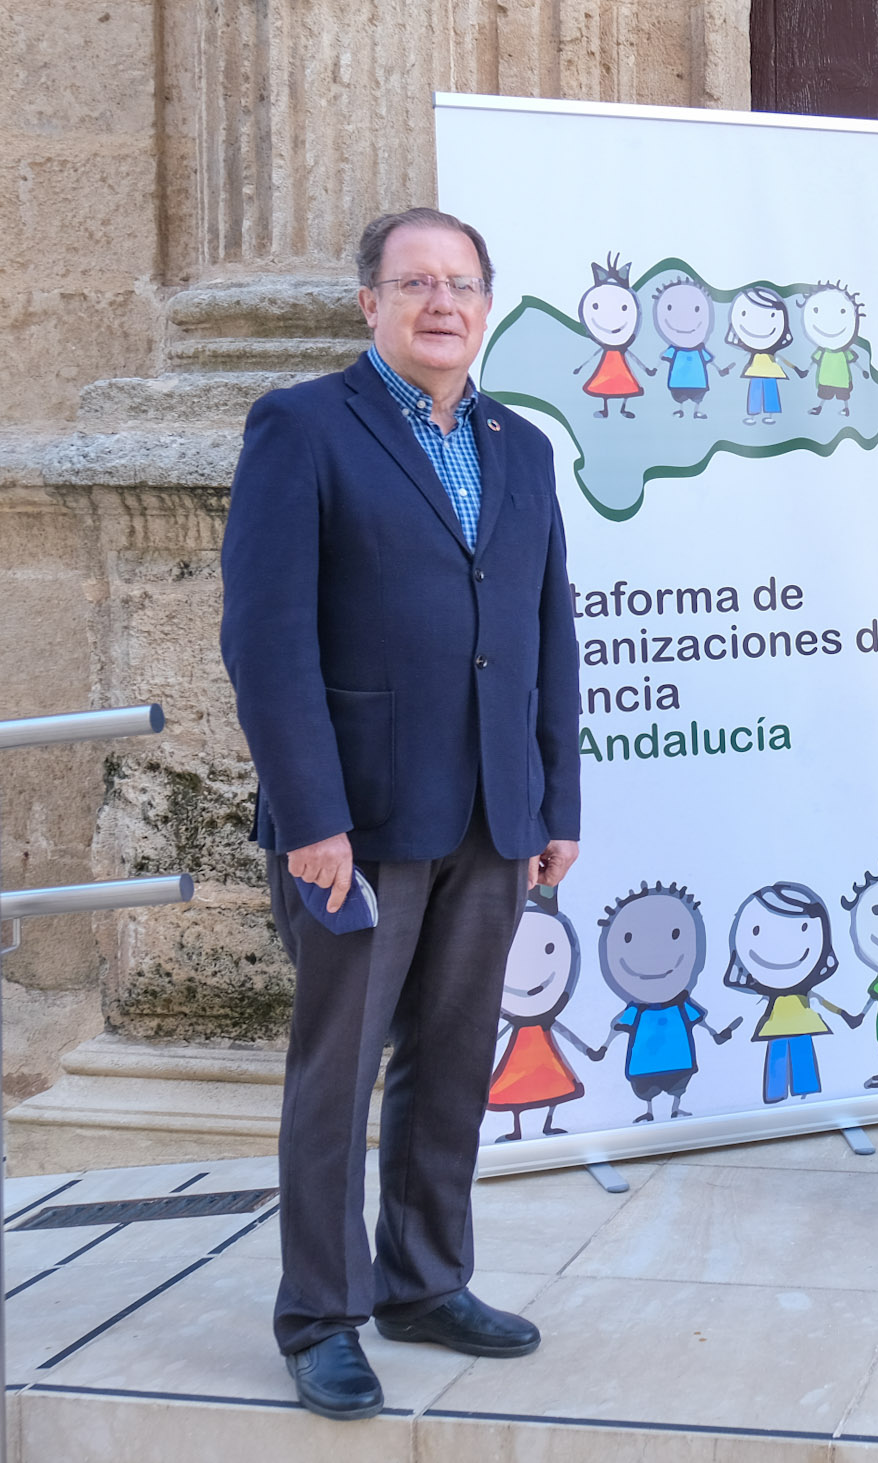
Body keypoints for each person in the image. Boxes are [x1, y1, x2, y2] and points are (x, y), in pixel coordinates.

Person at [219, 207, 582, 1418]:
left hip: (488, 814)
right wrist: (311, 813)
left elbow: (546, 635)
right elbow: (266, 641)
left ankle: (425, 1280)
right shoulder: (303, 427)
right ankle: (319, 1313)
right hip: (357, 823)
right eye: (414, 282)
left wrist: (551, 800)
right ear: (367, 302)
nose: (441, 303)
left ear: (487, 305)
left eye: (462, 284)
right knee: (339, 1071)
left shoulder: (520, 444)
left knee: (449, 1066)